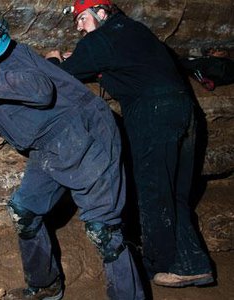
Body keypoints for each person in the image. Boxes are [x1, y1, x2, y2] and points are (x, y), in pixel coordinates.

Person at [0, 16, 144, 299]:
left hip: (88, 137)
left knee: (104, 231)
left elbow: (40, 90)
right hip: (49, 148)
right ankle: (45, 286)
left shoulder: (17, 60)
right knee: (24, 210)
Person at [45, 0, 214, 287]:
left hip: (153, 114)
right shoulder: (136, 30)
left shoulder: (100, 38)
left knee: (152, 189)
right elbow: (128, 66)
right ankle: (193, 262)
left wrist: (53, 59)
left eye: (82, 18)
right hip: (185, 111)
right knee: (175, 192)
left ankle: (158, 265)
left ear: (101, 12)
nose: (79, 26)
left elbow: (62, 75)